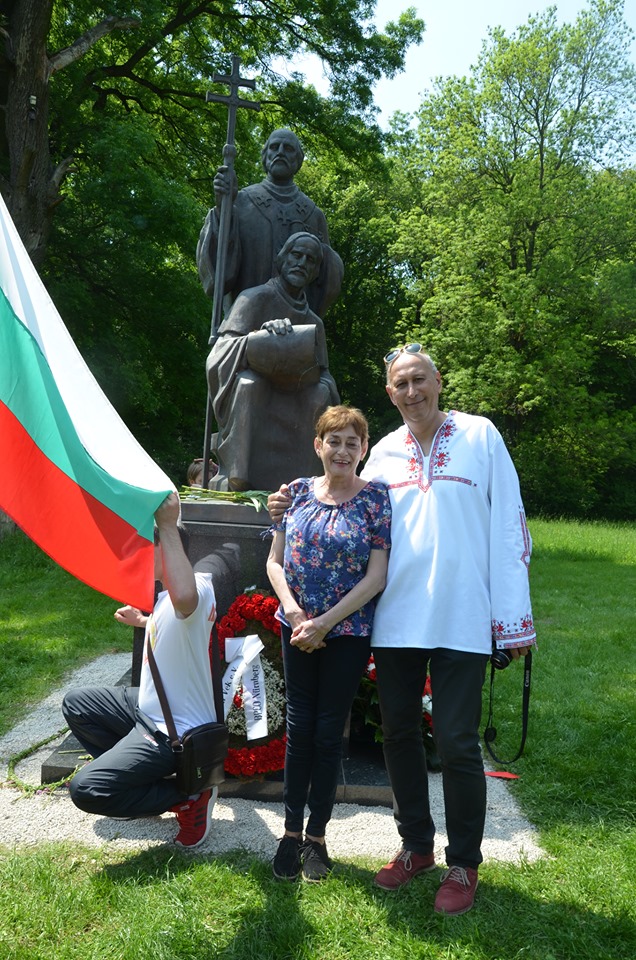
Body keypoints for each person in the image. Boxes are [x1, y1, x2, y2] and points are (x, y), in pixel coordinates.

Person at [268, 345, 536, 913]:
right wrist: (286, 501)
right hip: (396, 619)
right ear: (390, 393)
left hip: (464, 614)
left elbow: (510, 524)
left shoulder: (481, 436)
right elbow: (342, 501)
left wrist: (511, 618)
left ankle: (464, 863)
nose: (412, 391)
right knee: (398, 735)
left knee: (457, 741)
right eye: (401, 384)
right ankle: (416, 847)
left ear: (438, 381)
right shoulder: (384, 452)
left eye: (420, 380)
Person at [266, 405, 392, 882]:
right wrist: (296, 614)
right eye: (333, 441)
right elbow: (275, 561)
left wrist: (324, 624)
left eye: (351, 442)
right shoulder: (297, 492)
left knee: (326, 732)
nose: (342, 450)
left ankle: (317, 836)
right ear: (318, 445)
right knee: (299, 730)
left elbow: (376, 577)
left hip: (346, 633)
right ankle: (290, 832)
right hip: (296, 627)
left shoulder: (375, 499)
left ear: (364, 449)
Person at [62, 492, 219, 849]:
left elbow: (185, 601)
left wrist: (167, 524)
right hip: (148, 708)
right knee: (77, 704)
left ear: (165, 549)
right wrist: (144, 621)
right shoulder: (166, 598)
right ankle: (137, 785)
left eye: (143, 546)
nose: (134, 554)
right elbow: (177, 622)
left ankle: (187, 797)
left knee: (87, 789)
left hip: (172, 731)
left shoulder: (196, 589)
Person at [206, 232, 339, 492]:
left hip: (297, 393)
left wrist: (316, 379)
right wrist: (261, 339)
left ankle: (308, 484)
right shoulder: (253, 298)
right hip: (257, 390)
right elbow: (219, 355)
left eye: (310, 260)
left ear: (315, 272)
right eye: (296, 255)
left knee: (321, 393)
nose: (302, 263)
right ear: (282, 258)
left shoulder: (314, 322)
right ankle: (240, 477)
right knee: (249, 383)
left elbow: (324, 374)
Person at [197, 128, 343, 320]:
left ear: (298, 159)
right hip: (246, 324)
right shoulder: (240, 202)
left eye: (288, 148)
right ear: (265, 156)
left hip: (295, 328)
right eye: (274, 147)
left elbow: (324, 283)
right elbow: (218, 277)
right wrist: (222, 211)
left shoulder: (313, 215)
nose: (280, 152)